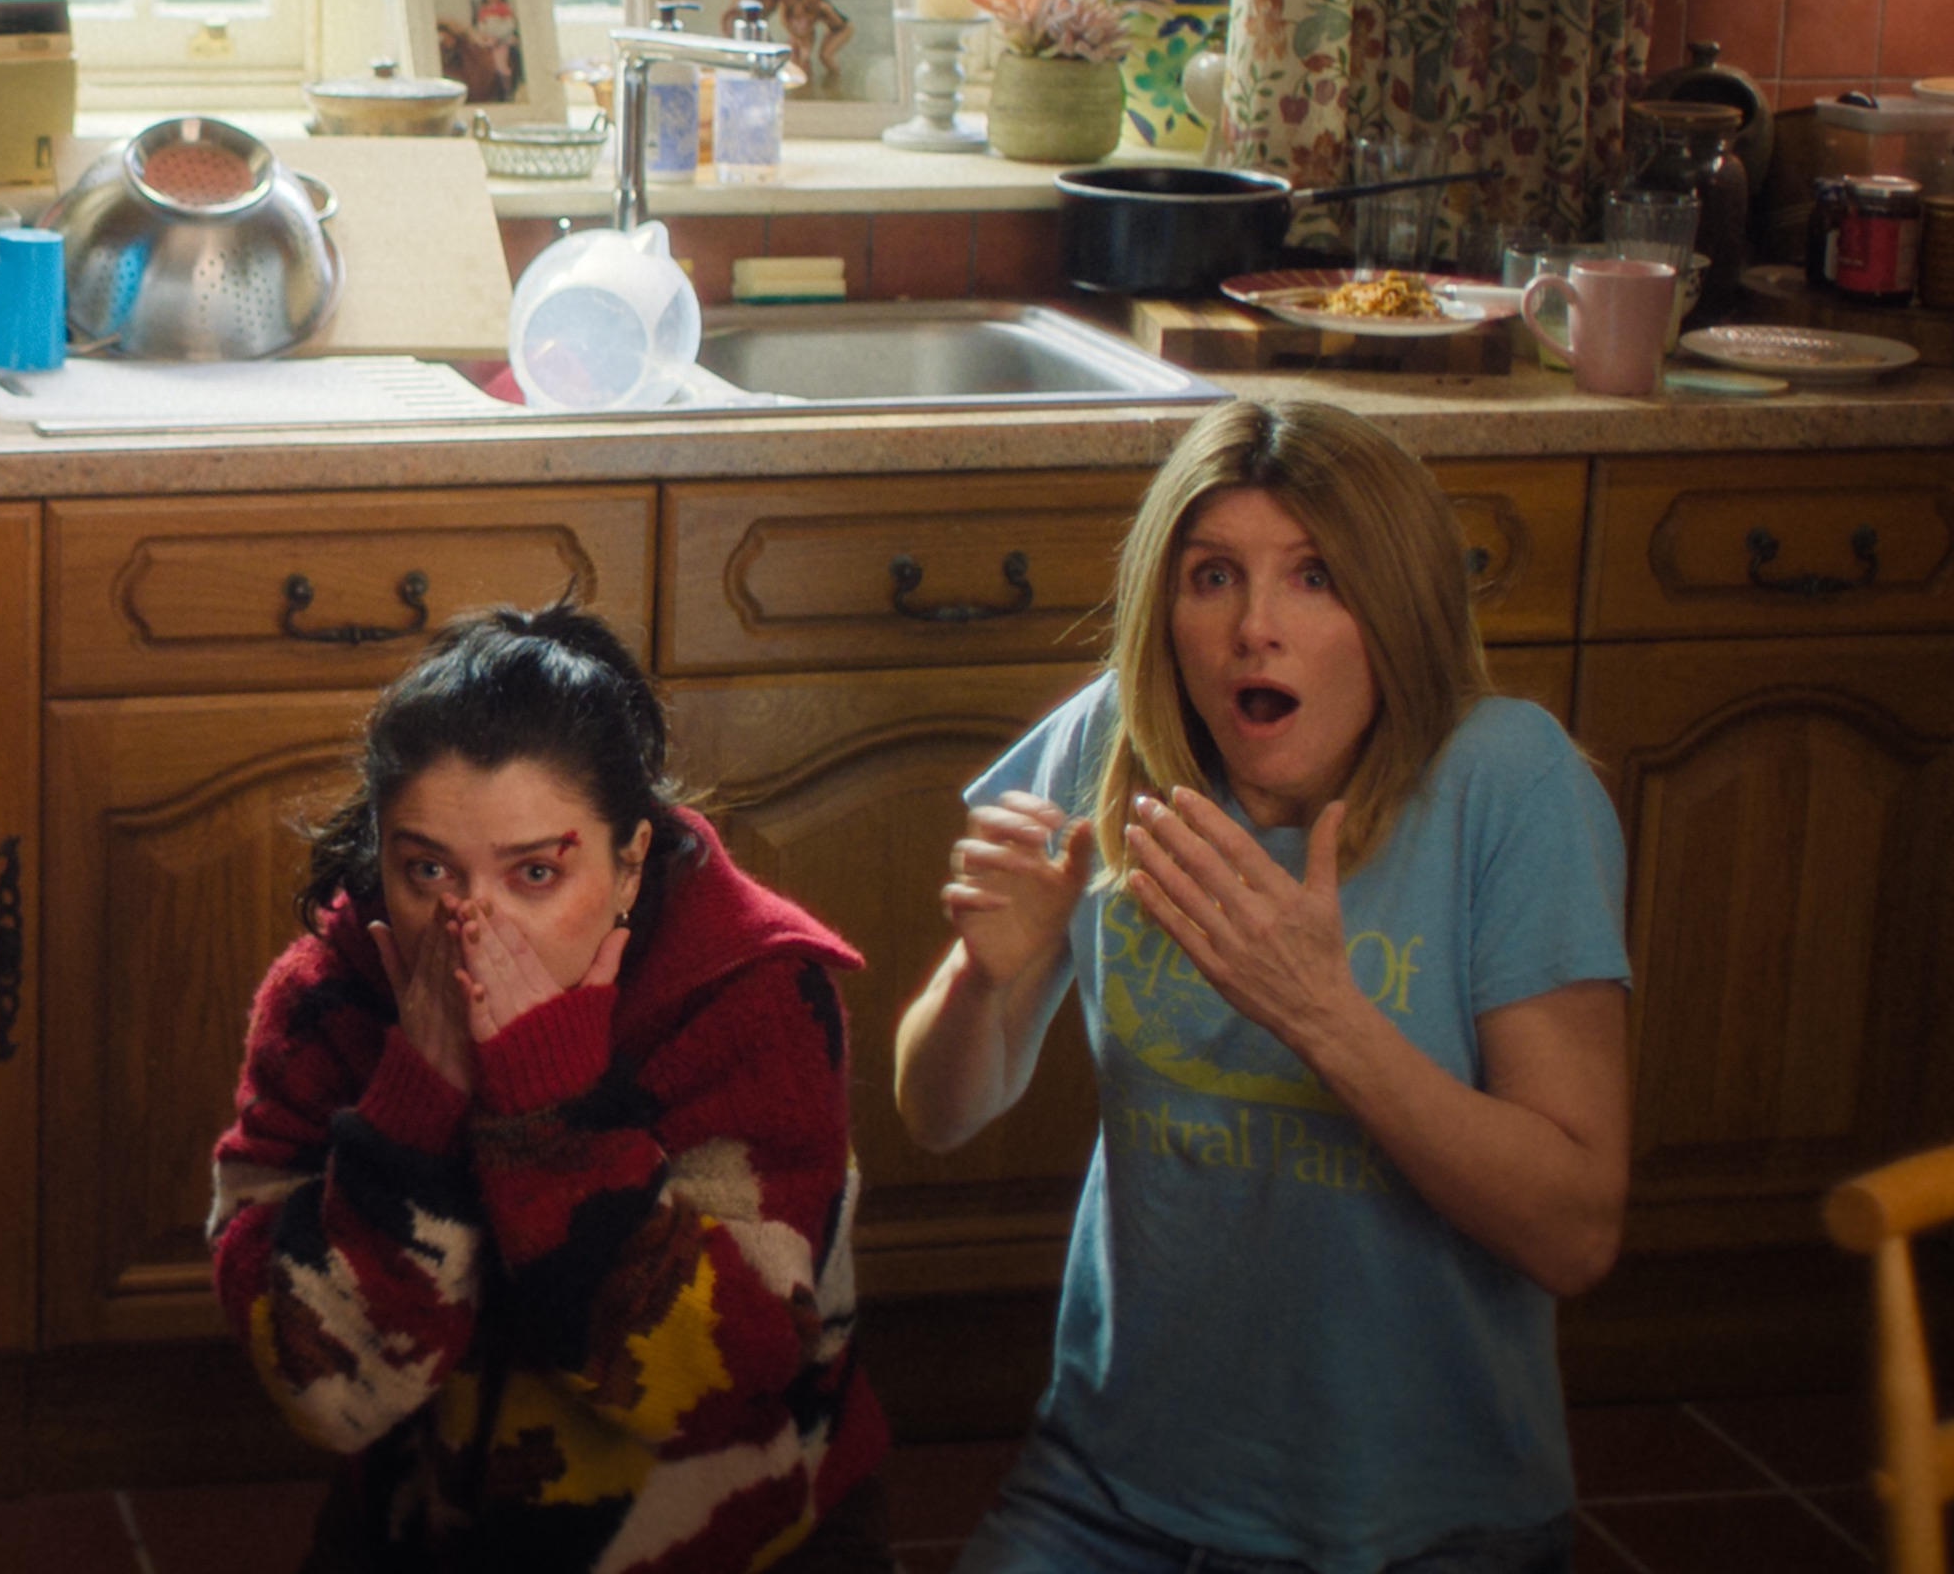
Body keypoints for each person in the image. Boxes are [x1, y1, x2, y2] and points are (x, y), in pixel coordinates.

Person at [889, 401, 1630, 1574]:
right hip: (1111, 1488)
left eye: (1315, 577)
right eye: (1213, 576)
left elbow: (1576, 1232)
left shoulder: (1508, 782)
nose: (1254, 630)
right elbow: (937, 1113)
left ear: (1398, 608)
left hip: (1428, 1523)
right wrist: (984, 980)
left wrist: (1323, 1015)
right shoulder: (1113, 748)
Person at [208, 602, 892, 1573]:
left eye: (535, 873)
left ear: (629, 865)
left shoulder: (753, 995)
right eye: (426, 869)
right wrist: (415, 1103)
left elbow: (712, 1389)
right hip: (422, 1529)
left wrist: (550, 1113)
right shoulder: (327, 998)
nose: (470, 926)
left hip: (748, 1539)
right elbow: (327, 1395)